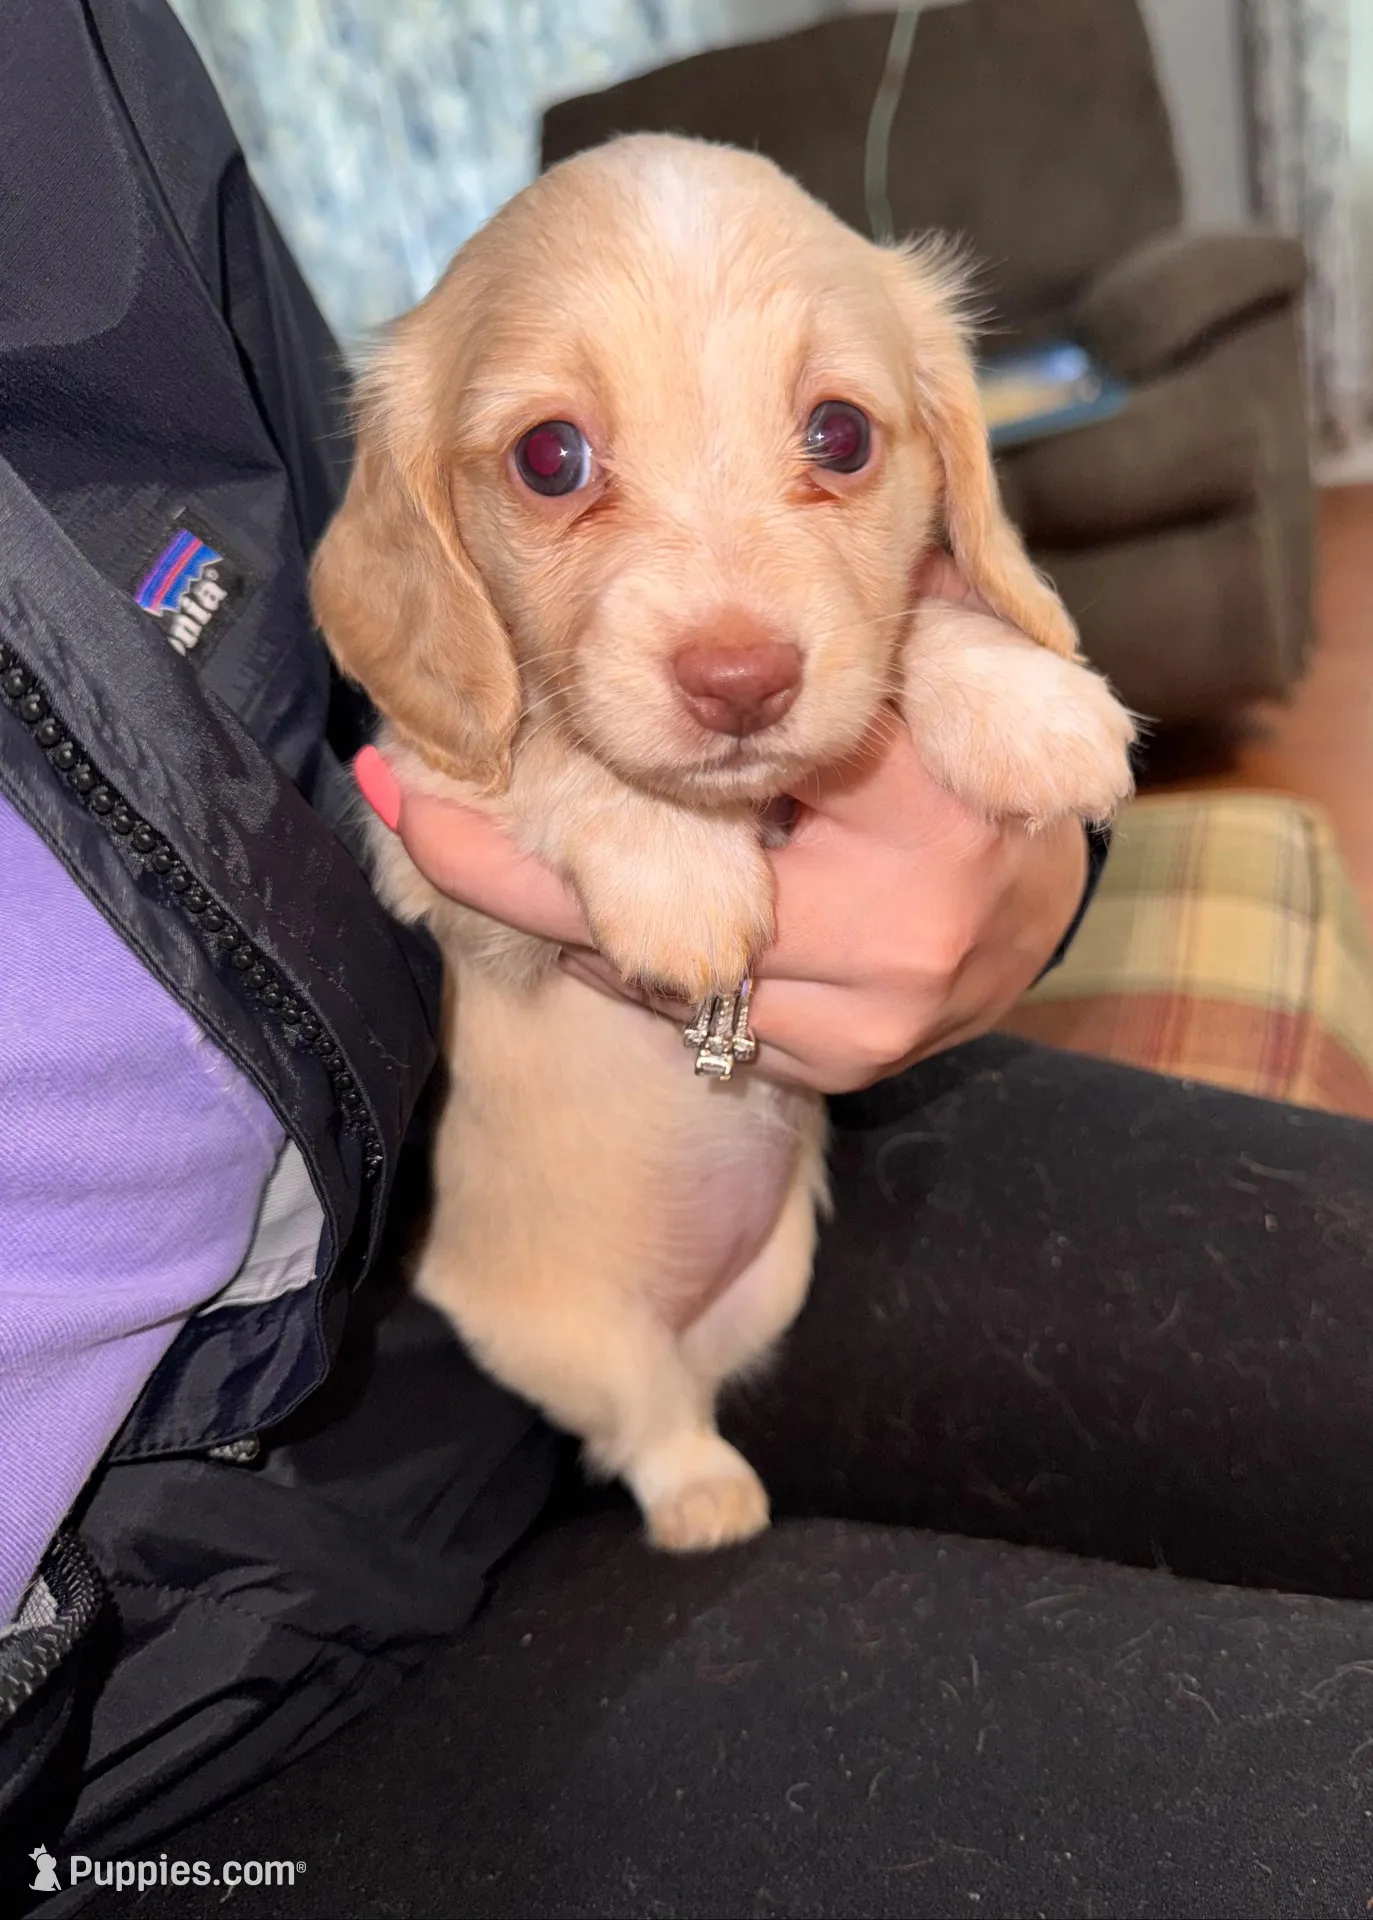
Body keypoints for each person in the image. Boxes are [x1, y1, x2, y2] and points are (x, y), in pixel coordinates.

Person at [5, 6, 1373, 1918]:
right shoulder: (419, 505)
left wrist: (1011, 823)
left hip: (491, 1278)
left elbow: (320, 710)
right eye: (559, 461)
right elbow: (425, 718)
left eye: (833, 439)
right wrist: (603, 820)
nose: (731, 635)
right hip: (164, 1732)